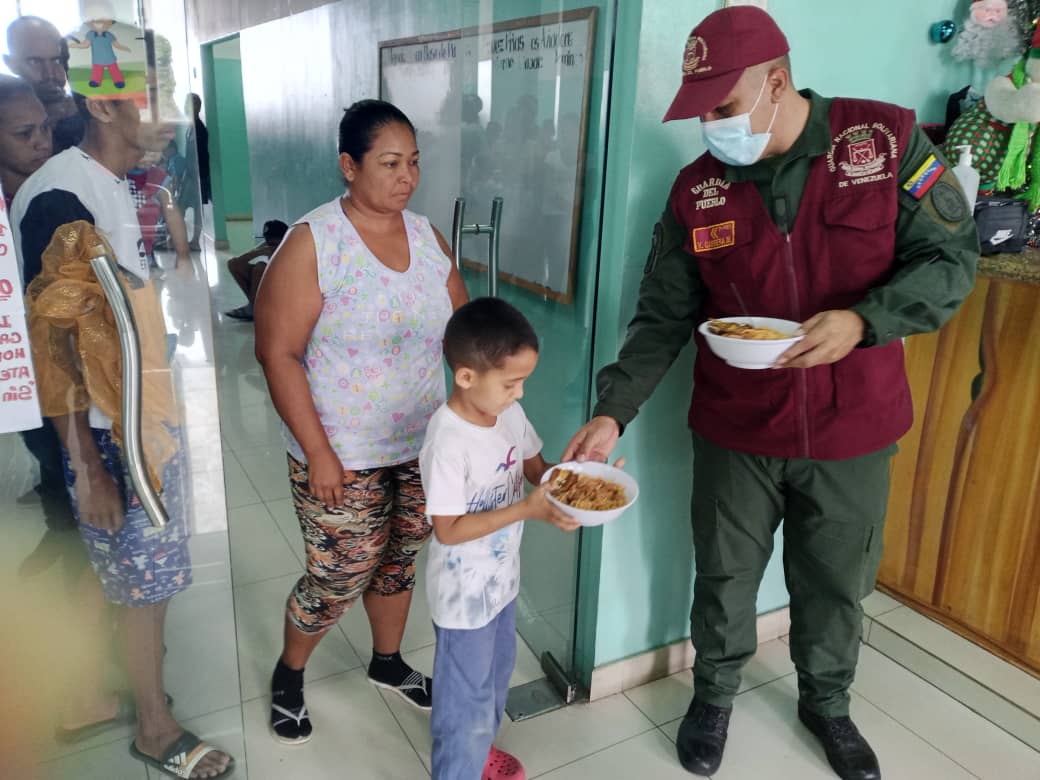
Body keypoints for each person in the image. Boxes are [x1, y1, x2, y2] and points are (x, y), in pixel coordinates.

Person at [563, 7, 978, 780]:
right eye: (701, 113)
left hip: (852, 424)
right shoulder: (699, 191)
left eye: (723, 108)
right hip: (736, 427)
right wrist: (612, 411)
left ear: (776, 81)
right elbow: (663, 315)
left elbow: (950, 261)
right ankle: (714, 695)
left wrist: (864, 320)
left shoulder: (882, 144)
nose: (712, 128)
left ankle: (829, 702)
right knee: (723, 576)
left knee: (836, 580)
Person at [13, 86, 235, 778]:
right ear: (105, 107)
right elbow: (54, 345)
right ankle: (154, 726)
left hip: (135, 413)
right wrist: (87, 462)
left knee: (100, 565)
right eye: (158, 100)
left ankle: (81, 695)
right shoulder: (61, 198)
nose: (172, 117)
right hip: (109, 431)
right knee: (148, 583)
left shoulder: (114, 184)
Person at [254, 98, 468, 744]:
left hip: (421, 442)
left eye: (415, 163)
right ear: (349, 166)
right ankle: (290, 672)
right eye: (390, 163)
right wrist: (318, 451)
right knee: (340, 571)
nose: (407, 177)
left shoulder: (429, 238)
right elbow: (278, 353)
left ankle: (387, 661)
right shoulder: (316, 242)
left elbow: (463, 337)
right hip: (342, 447)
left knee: (400, 557)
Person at [421, 297, 580, 780]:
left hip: (501, 581)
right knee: (462, 698)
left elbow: (537, 469)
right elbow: (447, 529)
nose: (521, 394)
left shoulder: (507, 415)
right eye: (511, 383)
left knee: (494, 680)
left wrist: (581, 480)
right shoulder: (447, 441)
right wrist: (526, 510)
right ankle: (457, 770)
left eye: (523, 382)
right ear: (466, 376)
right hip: (462, 596)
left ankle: (480, 752)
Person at [4, 16, 85, 153]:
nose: (50, 74)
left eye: (57, 60)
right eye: (35, 62)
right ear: (11, 64)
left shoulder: (91, 113)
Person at [224, 219, 289, 321]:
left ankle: (255, 309)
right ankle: (253, 306)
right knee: (233, 264)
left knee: (260, 268)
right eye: (268, 240)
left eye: (274, 242)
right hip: (269, 288)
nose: (270, 244)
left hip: (285, 291)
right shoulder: (267, 245)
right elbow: (236, 262)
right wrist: (259, 252)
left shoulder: (291, 247)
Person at [180, 93, 209, 250]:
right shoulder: (190, 127)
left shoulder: (199, 129)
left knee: (196, 210)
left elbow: (201, 155)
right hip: (190, 175)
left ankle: (195, 241)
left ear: (197, 107)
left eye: (190, 104)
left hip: (198, 176)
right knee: (181, 207)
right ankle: (183, 239)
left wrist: (197, 176)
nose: (186, 108)